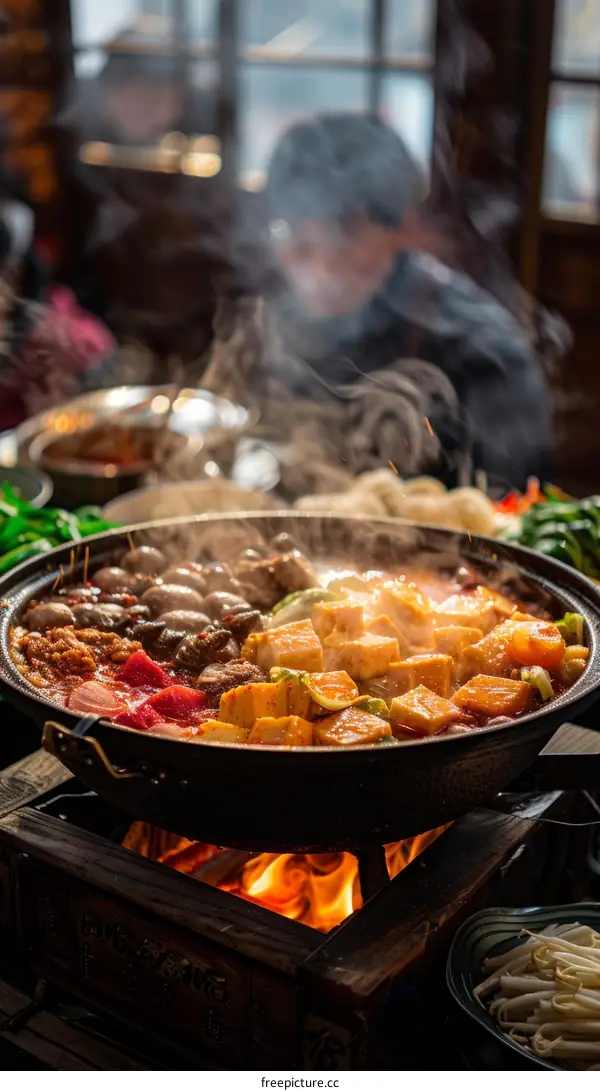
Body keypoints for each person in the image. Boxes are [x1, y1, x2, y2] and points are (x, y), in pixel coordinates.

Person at [205, 114, 556, 493]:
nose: (320, 267)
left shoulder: (484, 352)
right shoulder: (276, 325)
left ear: (403, 227)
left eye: (347, 234)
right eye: (295, 238)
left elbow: (511, 513)